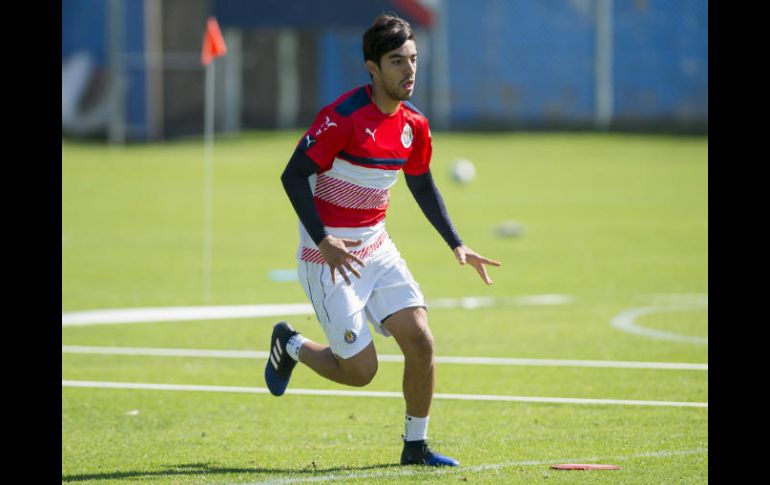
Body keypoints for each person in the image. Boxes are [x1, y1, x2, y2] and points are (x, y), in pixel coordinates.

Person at [266, 13, 501, 467]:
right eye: (397, 61)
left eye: (413, 59)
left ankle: (416, 447)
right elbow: (293, 175)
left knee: (422, 341)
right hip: (328, 257)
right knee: (361, 371)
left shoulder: (414, 124)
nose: (409, 70)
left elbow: (421, 182)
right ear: (372, 69)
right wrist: (324, 240)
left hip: (377, 247)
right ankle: (290, 344)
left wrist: (457, 243)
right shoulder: (342, 118)